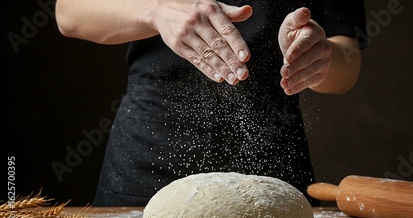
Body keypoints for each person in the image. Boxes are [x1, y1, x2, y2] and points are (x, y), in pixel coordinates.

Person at [55, 0, 366, 206]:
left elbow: (347, 62)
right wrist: (155, 12)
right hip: (150, 151)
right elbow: (69, 13)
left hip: (273, 163)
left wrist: (317, 57)